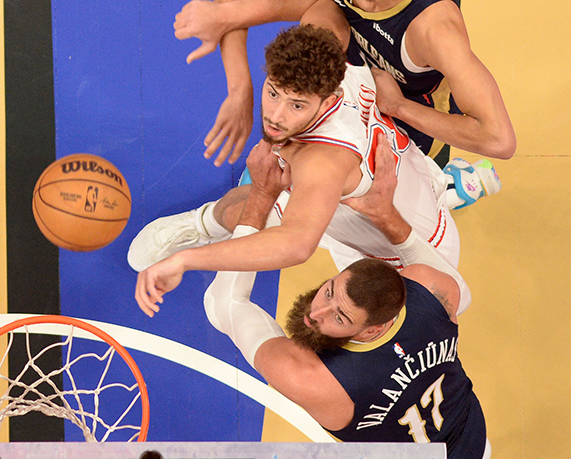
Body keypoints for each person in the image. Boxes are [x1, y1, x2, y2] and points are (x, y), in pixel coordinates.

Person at [173, 0, 515, 192]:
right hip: (351, 73)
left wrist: (399, 106)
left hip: (406, 113)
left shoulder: (435, 29)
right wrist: (240, 92)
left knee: (345, 204)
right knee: (320, 10)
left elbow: (499, 139)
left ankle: (448, 185)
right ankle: (295, 157)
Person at [131, 24, 468, 311]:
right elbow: (316, 4)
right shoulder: (332, 67)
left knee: (331, 320)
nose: (276, 116)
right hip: (388, 197)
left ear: (329, 100)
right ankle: (200, 225)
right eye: (273, 93)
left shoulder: (323, 160)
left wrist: (184, 261)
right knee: (241, 204)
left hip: (401, 260)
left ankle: (456, 188)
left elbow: (296, 245)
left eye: (296, 105)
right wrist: (240, 90)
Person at [200, 141, 488, 458]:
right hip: (471, 436)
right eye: (329, 291)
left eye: (340, 317)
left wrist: (261, 197)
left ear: (373, 329)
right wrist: (384, 214)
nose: (316, 313)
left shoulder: (313, 379)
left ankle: (446, 191)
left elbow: (221, 304)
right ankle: (448, 192)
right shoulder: (435, 291)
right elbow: (447, 282)